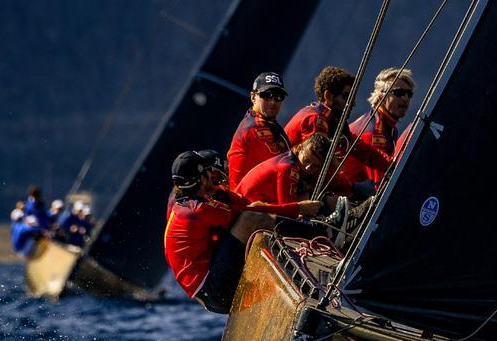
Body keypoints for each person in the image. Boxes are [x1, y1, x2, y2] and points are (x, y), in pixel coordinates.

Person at [164, 150, 322, 313]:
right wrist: (297, 208)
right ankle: (319, 233)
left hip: (208, 292)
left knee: (247, 220)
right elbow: (246, 214)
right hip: (216, 291)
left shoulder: (181, 202)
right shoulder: (198, 210)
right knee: (249, 220)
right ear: (202, 178)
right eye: (208, 173)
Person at [284, 66, 387, 196]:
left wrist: (392, 165)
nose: (353, 103)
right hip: (291, 188)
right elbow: (320, 169)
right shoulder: (315, 120)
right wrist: (351, 189)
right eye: (346, 97)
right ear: (328, 96)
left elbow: (362, 150)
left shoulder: (333, 122)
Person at [349, 68, 415, 188]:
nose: (405, 98)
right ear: (381, 97)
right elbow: (380, 186)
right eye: (398, 93)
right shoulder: (372, 132)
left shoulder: (390, 127)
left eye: (409, 94)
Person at [227, 71, 292, 189]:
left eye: (278, 96)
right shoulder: (253, 127)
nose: (273, 101)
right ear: (253, 97)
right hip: (246, 203)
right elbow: (283, 167)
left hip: (263, 197)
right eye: (266, 95)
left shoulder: (270, 124)